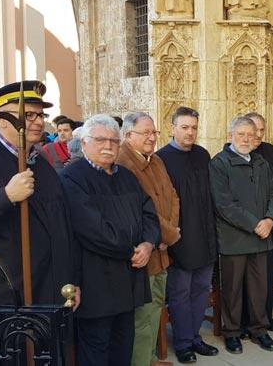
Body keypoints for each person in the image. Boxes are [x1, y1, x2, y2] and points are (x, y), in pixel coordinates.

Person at [0, 80, 77, 306]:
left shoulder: (41, 164)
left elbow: (62, 227)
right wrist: (4, 197)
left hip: (48, 293)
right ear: (2, 121)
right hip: (2, 298)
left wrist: (69, 283)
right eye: (29, 115)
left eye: (41, 115)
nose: (38, 122)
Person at [61, 114, 159, 366]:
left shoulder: (125, 175)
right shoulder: (73, 177)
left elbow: (149, 213)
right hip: (97, 283)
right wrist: (131, 250)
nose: (108, 146)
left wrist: (148, 244)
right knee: (96, 350)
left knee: (123, 347)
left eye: (114, 141)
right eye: (100, 140)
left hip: (129, 281)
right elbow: (93, 229)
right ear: (83, 143)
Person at [211, 116, 273, 354]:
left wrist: (270, 220)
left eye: (250, 135)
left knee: (259, 289)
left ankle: (259, 330)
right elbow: (224, 204)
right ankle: (232, 332)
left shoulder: (261, 162)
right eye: (240, 134)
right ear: (230, 136)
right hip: (234, 239)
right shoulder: (219, 163)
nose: (246, 138)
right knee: (232, 289)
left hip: (261, 238)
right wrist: (255, 224)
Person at [116, 112, 181, 366]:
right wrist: (165, 235)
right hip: (144, 252)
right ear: (128, 135)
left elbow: (173, 196)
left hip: (163, 249)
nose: (152, 138)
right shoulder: (124, 162)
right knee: (141, 316)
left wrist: (172, 232)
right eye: (146, 133)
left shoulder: (156, 161)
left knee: (155, 310)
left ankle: (150, 358)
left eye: (154, 133)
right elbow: (144, 209)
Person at [156, 107, 219, 363]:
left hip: (205, 236)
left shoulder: (203, 154)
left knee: (201, 290)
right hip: (180, 239)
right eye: (184, 127)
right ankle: (182, 343)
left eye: (194, 127)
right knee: (180, 294)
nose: (190, 132)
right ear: (172, 128)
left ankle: (194, 337)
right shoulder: (162, 159)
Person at [245, 111, 273, 332]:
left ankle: (266, 316)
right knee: (247, 277)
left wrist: (271, 218)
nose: (258, 134)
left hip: (272, 226)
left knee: (267, 274)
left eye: (262, 130)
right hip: (245, 229)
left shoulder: (272, 152)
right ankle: (245, 320)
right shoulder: (235, 153)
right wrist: (253, 221)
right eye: (254, 129)